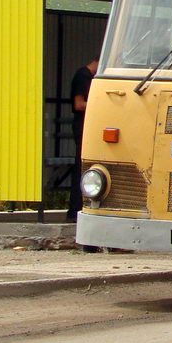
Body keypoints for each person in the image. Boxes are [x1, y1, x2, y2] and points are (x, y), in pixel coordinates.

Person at [67, 59, 98, 221]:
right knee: (80, 165)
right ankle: (74, 210)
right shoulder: (83, 76)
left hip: (90, 125)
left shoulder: (90, 77)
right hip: (81, 125)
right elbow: (79, 104)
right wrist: (100, 102)